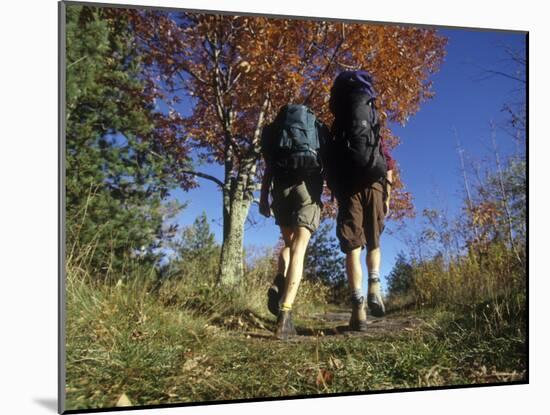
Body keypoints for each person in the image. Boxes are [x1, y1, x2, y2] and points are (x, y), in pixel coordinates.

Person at [325, 70, 395, 332]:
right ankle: (375, 286)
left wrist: (334, 188)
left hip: (348, 186)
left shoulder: (338, 125)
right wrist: (387, 195)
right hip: (375, 182)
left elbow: (329, 160)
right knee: (373, 241)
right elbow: (388, 161)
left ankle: (358, 311)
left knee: (352, 247)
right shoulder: (374, 122)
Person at [259, 104, 328, 340]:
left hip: (280, 189)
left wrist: (263, 198)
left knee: (288, 244)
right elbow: (328, 164)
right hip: (307, 189)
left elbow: (268, 166)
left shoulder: (276, 131)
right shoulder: (317, 129)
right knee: (299, 248)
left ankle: (280, 278)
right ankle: (285, 317)